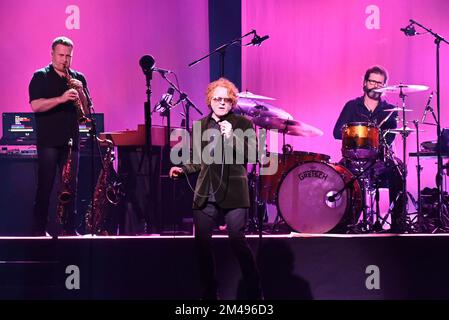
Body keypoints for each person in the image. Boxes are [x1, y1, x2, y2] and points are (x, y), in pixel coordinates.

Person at [169, 78, 263, 300]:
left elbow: (253, 156)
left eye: (227, 100)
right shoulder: (200, 126)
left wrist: (231, 137)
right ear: (210, 100)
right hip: (206, 191)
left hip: (234, 191)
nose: (222, 103)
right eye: (217, 99)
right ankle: (210, 294)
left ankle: (254, 292)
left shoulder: (243, 124)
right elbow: (197, 160)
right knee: (201, 244)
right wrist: (182, 169)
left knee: (237, 242)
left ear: (232, 103)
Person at [29, 36, 91, 236]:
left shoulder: (78, 77)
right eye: (61, 55)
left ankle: (69, 229)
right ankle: (39, 231)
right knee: (45, 187)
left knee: (71, 188)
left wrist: (81, 92)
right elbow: (36, 106)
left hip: (71, 141)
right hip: (48, 142)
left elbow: (87, 112)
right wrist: (61, 99)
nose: (64, 60)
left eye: (68, 56)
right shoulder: (40, 76)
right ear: (52, 54)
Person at [333, 65, 406, 233]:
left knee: (400, 171)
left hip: (379, 160)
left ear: (385, 86)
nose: (376, 86)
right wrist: (357, 134)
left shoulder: (390, 110)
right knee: (337, 176)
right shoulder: (352, 106)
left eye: (380, 83)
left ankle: (397, 223)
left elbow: (390, 137)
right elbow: (337, 132)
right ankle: (345, 222)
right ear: (365, 83)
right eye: (373, 81)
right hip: (353, 159)